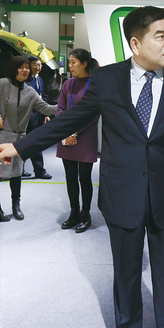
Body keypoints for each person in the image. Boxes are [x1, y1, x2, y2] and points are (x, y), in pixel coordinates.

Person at [0, 6, 164, 328]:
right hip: (123, 192)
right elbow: (72, 118)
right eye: (160, 35)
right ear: (135, 43)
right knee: (126, 273)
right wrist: (21, 146)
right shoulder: (107, 79)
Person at [0, 56, 57, 221]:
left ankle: (16, 206)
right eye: (21, 67)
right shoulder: (2, 84)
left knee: (16, 174)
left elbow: (46, 108)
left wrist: (67, 105)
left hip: (20, 139)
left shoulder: (30, 91)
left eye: (27, 67)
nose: (25, 70)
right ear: (13, 68)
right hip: (0, 136)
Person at [56, 48, 100, 233]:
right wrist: (67, 132)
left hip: (85, 137)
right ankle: (74, 212)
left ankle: (85, 213)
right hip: (67, 137)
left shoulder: (95, 84)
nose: (70, 66)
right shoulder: (68, 84)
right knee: (71, 178)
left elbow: (94, 114)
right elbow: (60, 108)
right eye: (69, 62)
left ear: (84, 64)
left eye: (74, 62)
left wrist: (75, 132)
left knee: (85, 178)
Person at [23, 55, 52, 180]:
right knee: (33, 143)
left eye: (40, 65)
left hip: (38, 116)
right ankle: (39, 170)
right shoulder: (25, 80)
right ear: (29, 65)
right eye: (35, 64)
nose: (38, 67)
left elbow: (43, 97)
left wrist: (46, 114)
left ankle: (21, 169)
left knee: (31, 143)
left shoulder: (39, 79)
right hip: (27, 117)